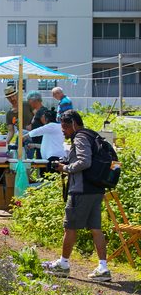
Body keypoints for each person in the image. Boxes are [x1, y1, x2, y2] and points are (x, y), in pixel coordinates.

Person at [43, 111, 111, 281]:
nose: (63, 131)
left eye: (65, 127)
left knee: (70, 227)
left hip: (81, 190)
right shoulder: (91, 134)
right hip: (96, 189)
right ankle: (103, 268)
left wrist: (65, 168)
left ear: (73, 124)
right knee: (96, 228)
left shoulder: (80, 137)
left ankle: (63, 264)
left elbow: (84, 161)